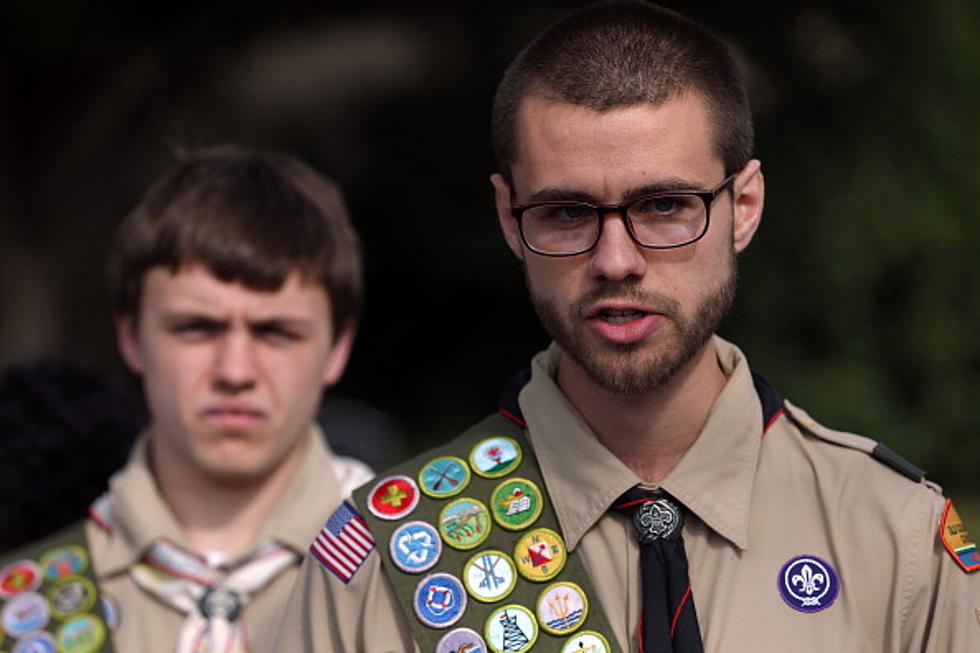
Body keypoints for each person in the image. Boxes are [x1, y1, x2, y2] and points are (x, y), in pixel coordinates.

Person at [275, 2, 979, 651]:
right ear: (508, 218)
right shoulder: (387, 556)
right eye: (567, 212)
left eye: (664, 205)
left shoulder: (894, 541)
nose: (616, 260)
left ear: (745, 206)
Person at [0, 144, 374, 653]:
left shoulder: (410, 567)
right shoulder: (22, 608)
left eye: (276, 333)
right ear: (131, 337)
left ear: (338, 346)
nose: (235, 371)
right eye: (196, 329)